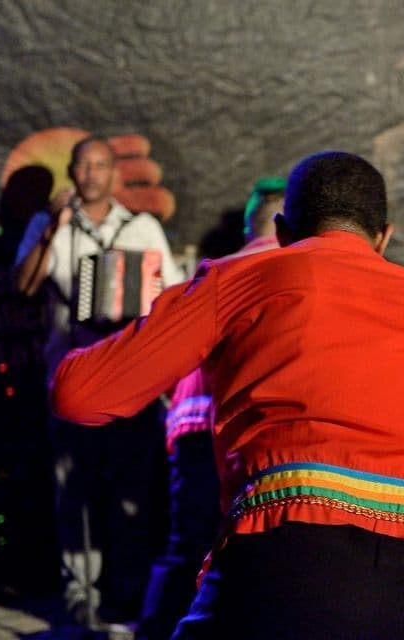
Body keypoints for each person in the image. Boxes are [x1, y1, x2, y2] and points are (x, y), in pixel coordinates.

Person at [50, 152, 404, 640]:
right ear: (386, 237)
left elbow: (80, 394)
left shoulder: (243, 279)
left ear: (282, 231)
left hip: (289, 555)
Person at [13, 135, 185, 624]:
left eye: (100, 165)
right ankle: (79, 593)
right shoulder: (49, 226)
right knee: (75, 488)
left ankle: (127, 589)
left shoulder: (143, 228)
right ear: (71, 172)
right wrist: (52, 227)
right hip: (71, 377)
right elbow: (24, 287)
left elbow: (172, 298)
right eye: (82, 165)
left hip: (129, 379)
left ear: (114, 174)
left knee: (131, 487)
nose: (90, 174)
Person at [136, 176, 286, 640]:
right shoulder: (288, 270)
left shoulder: (216, 271)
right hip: (242, 431)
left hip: (191, 424)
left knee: (188, 545)